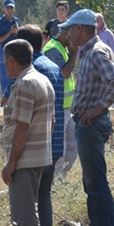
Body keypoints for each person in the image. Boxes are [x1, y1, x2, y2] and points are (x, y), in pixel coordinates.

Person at [59, 9, 114, 226]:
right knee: (92, 181)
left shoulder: (96, 52)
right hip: (86, 122)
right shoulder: (87, 52)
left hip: (91, 123)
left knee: (96, 180)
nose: (68, 33)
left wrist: (98, 108)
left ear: (84, 29)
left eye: (72, 28)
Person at [0, 39, 54, 226]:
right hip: (40, 154)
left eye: (5, 62)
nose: (5, 66)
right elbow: (50, 121)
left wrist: (11, 162)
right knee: (26, 210)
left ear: (11, 60)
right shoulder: (43, 80)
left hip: (24, 158)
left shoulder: (24, 84)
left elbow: (22, 126)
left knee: (24, 214)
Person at [16, 25, 64, 226]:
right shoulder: (54, 67)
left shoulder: (29, 72)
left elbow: (17, 111)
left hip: (34, 146)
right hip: (54, 142)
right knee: (44, 197)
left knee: (28, 204)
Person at [42, 26, 78, 177]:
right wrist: (74, 53)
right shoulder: (52, 48)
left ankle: (61, 178)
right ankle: (56, 183)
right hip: (58, 107)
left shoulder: (63, 48)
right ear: (63, 33)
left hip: (68, 107)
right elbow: (65, 72)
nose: (72, 36)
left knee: (74, 145)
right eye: (70, 32)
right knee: (60, 150)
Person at [0, 0, 20, 104]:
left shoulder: (16, 20)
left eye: (11, 8)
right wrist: (10, 32)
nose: (9, 10)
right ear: (4, 9)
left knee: (16, 80)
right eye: (7, 8)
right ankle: (6, 106)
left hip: (16, 54)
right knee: (5, 81)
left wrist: (17, 31)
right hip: (4, 55)